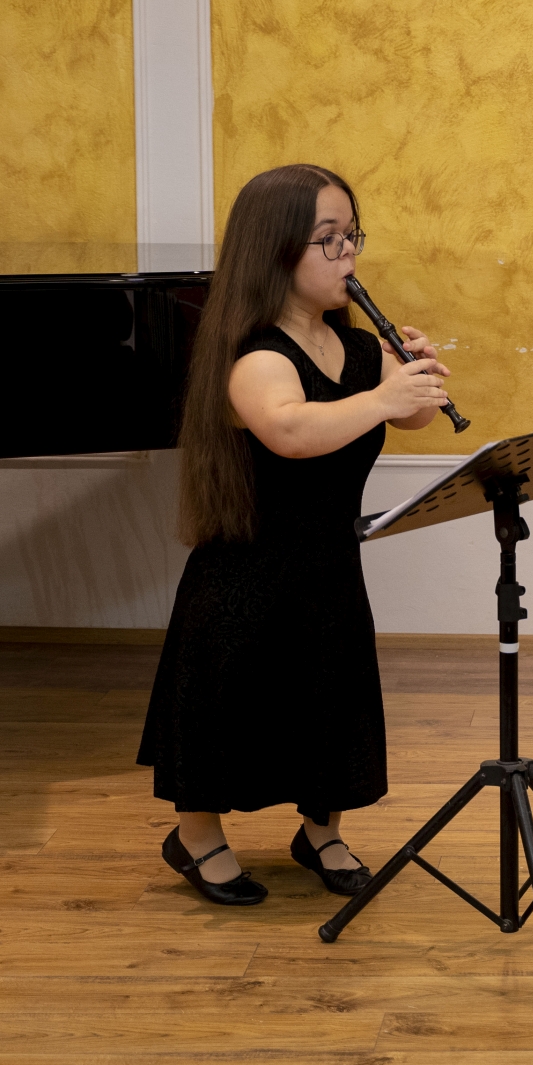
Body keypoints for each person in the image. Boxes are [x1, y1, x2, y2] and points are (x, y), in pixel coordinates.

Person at [138, 164, 455, 905]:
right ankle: (196, 837)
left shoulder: (357, 348)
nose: (349, 254)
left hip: (328, 567)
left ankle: (320, 831)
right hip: (246, 574)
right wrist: (384, 397)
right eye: (328, 239)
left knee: (328, 696)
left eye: (352, 236)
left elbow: (412, 415)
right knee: (230, 702)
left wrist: (412, 377)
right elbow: (289, 430)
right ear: (276, 251)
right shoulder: (256, 355)